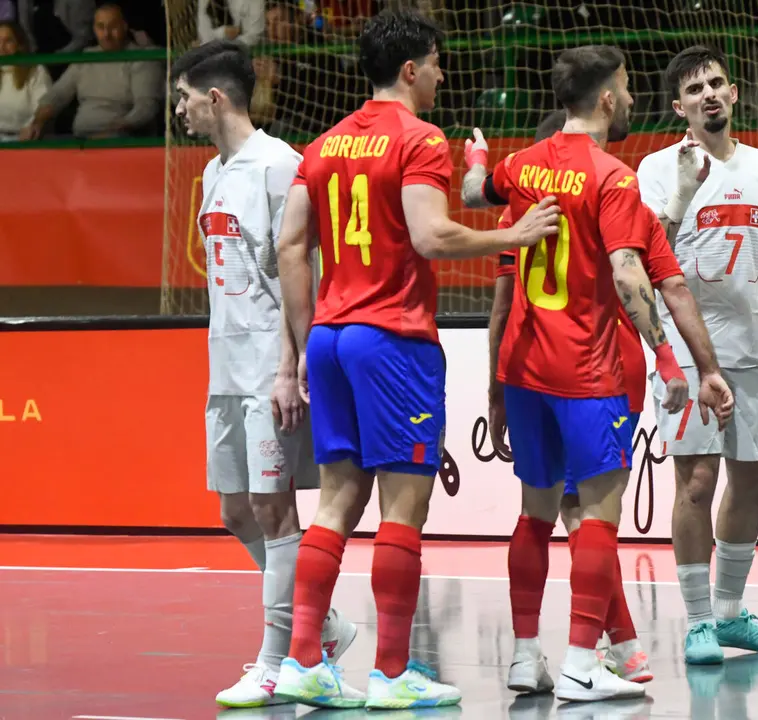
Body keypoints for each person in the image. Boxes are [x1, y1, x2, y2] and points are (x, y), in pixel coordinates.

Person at [271, 11, 559, 709]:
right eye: (435, 63)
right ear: (410, 69)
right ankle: (392, 675)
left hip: (334, 338)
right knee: (404, 507)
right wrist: (512, 233)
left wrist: (306, 342)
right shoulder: (420, 139)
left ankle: (303, 661)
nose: (441, 74)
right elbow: (430, 237)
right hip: (392, 339)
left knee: (336, 500)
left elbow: (289, 247)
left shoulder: (325, 143)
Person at [460, 45, 734, 702]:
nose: (634, 98)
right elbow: (629, 271)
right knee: (598, 522)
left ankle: (528, 656)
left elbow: (473, 192)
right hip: (587, 373)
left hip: (524, 372)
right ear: (607, 96)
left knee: (535, 516)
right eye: (629, 88)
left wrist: (474, 157)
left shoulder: (522, 166)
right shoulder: (612, 178)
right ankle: (585, 667)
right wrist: (667, 359)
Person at [172, 39, 358, 708]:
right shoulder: (212, 173)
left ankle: (279, 658)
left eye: (185, 97)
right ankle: (324, 626)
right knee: (234, 510)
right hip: (225, 367)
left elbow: (301, 271)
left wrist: (291, 366)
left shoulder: (283, 167)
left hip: (269, 370)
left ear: (214, 97)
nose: (180, 109)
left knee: (275, 509)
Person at [636, 44, 758, 665]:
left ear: (733, 93)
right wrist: (684, 194)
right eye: (694, 89)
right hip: (686, 349)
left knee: (754, 477)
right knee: (697, 479)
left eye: (716, 83)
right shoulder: (658, 169)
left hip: (750, 347)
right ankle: (699, 622)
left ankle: (732, 612)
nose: (708, 94)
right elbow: (639, 252)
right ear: (679, 106)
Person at [18, 3, 162, 139]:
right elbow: (59, 94)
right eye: (101, 27)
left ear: (124, 26)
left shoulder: (142, 58)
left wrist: (117, 128)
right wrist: (37, 122)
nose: (106, 34)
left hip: (122, 138)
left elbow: (146, 107)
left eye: (113, 26)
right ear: (94, 29)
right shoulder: (87, 57)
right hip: (81, 137)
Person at [0, 21, 50, 140]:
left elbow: (43, 107)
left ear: (19, 44)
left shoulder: (36, 71)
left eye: (8, 41)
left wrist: (34, 126)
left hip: (23, 139)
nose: (1, 47)